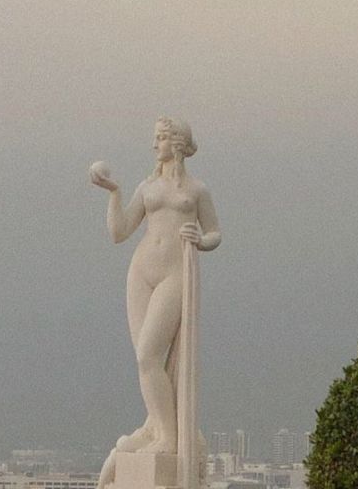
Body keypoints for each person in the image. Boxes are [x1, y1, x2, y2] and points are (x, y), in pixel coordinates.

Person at [90, 117, 221, 464]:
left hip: (175, 274)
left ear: (177, 143)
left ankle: (168, 436)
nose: (155, 144)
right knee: (147, 361)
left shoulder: (197, 190)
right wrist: (114, 192)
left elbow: (215, 232)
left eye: (161, 138)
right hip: (141, 272)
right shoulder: (147, 187)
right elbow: (119, 232)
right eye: (155, 138)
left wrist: (201, 240)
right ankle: (156, 425)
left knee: (148, 354)